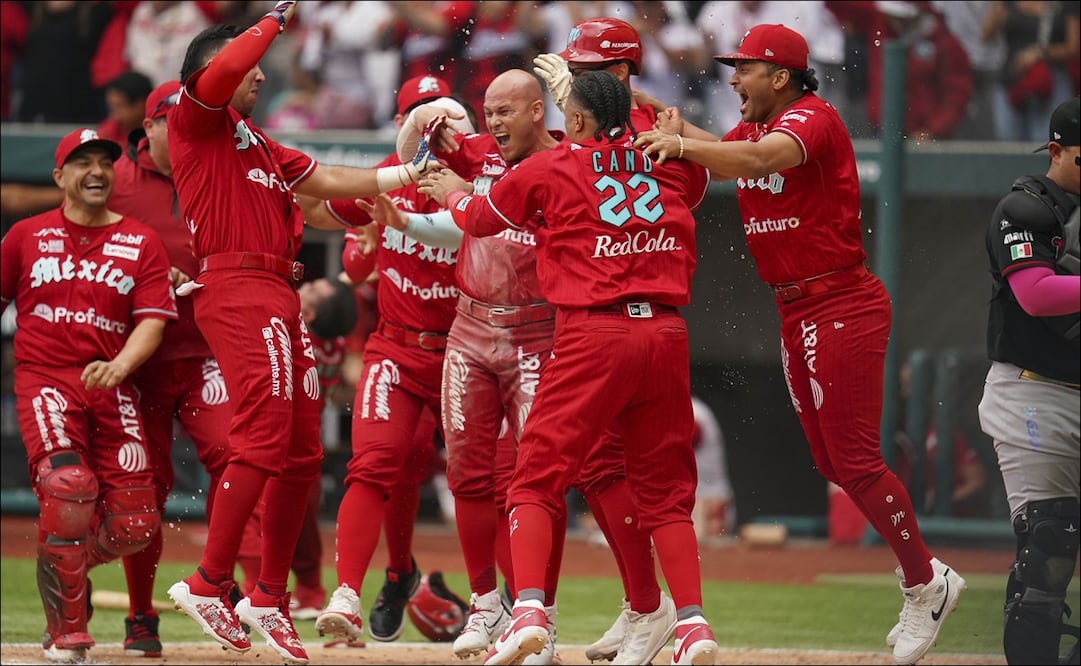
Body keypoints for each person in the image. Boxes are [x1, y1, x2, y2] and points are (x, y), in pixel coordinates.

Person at [633, 23, 966, 665]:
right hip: (797, 308)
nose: (733, 79)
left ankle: (926, 583)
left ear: (779, 76)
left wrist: (680, 143)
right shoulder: (755, 127)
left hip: (842, 302)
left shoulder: (812, 118)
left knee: (857, 461)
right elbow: (723, 151)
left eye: (745, 69)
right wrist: (662, 120)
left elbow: (754, 162)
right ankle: (925, 579)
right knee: (832, 464)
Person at [161, 4, 440, 663]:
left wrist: (409, 175)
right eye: (249, 66)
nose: (261, 75)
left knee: (300, 454)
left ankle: (266, 596)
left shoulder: (258, 142)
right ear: (210, 71)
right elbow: (228, 62)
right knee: (261, 435)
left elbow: (331, 181)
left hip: (277, 291)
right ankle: (209, 580)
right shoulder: (195, 117)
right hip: (235, 286)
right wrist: (271, 21)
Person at [425, 69, 716, 666]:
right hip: (664, 332)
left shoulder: (552, 166)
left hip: (594, 330)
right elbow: (705, 171)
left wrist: (449, 191)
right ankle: (693, 625)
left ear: (572, 119)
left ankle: (528, 611)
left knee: (533, 478)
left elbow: (480, 218)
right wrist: (661, 121)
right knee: (666, 496)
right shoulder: (665, 160)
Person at [0, 128, 178, 664]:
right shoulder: (24, 237)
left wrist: (121, 365)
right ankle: (67, 631)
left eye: (104, 162)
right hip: (45, 380)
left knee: (137, 525)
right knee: (68, 484)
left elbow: (152, 321)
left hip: (113, 383)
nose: (96, 171)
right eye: (82, 163)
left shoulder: (142, 240)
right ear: (59, 177)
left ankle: (63, 561)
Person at [311, 72, 468, 646]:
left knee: (487, 478)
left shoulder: (479, 174)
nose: (431, 121)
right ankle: (349, 594)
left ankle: (506, 604)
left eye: (440, 109)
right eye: (418, 111)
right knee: (378, 463)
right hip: (397, 347)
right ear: (401, 123)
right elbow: (352, 265)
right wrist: (366, 246)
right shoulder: (382, 179)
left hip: (467, 354)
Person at [107, 78, 233, 658]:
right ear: (150, 126)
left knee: (239, 456)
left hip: (207, 348)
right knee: (142, 492)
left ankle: (221, 585)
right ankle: (140, 615)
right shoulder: (115, 183)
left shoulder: (218, 169)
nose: (186, 134)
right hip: (140, 361)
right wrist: (149, 284)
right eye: (174, 124)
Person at [977, 95, 1080, 666]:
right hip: (1037, 390)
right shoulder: (1025, 206)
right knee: (1050, 543)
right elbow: (1036, 293)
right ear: (1057, 151)